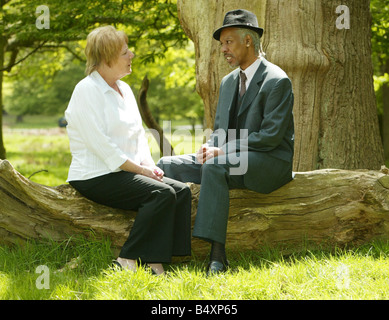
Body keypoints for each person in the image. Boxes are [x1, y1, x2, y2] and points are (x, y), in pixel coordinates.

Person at [157, 9, 294, 275]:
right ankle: (170, 249)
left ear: (248, 41)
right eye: (222, 44)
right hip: (233, 159)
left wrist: (222, 151)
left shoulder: (277, 81)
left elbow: (270, 136)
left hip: (270, 161)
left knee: (216, 165)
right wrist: (210, 147)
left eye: (228, 42)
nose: (223, 49)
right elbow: (220, 130)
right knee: (167, 165)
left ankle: (217, 257)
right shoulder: (228, 81)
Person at [65, 26, 191, 276]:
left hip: (124, 171)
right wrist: (141, 170)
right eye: (125, 52)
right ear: (107, 57)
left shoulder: (125, 90)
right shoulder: (86, 91)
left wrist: (149, 165)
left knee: (182, 191)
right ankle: (127, 259)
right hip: (96, 174)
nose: (132, 55)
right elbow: (104, 148)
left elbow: (138, 137)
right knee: (160, 194)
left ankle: (157, 260)